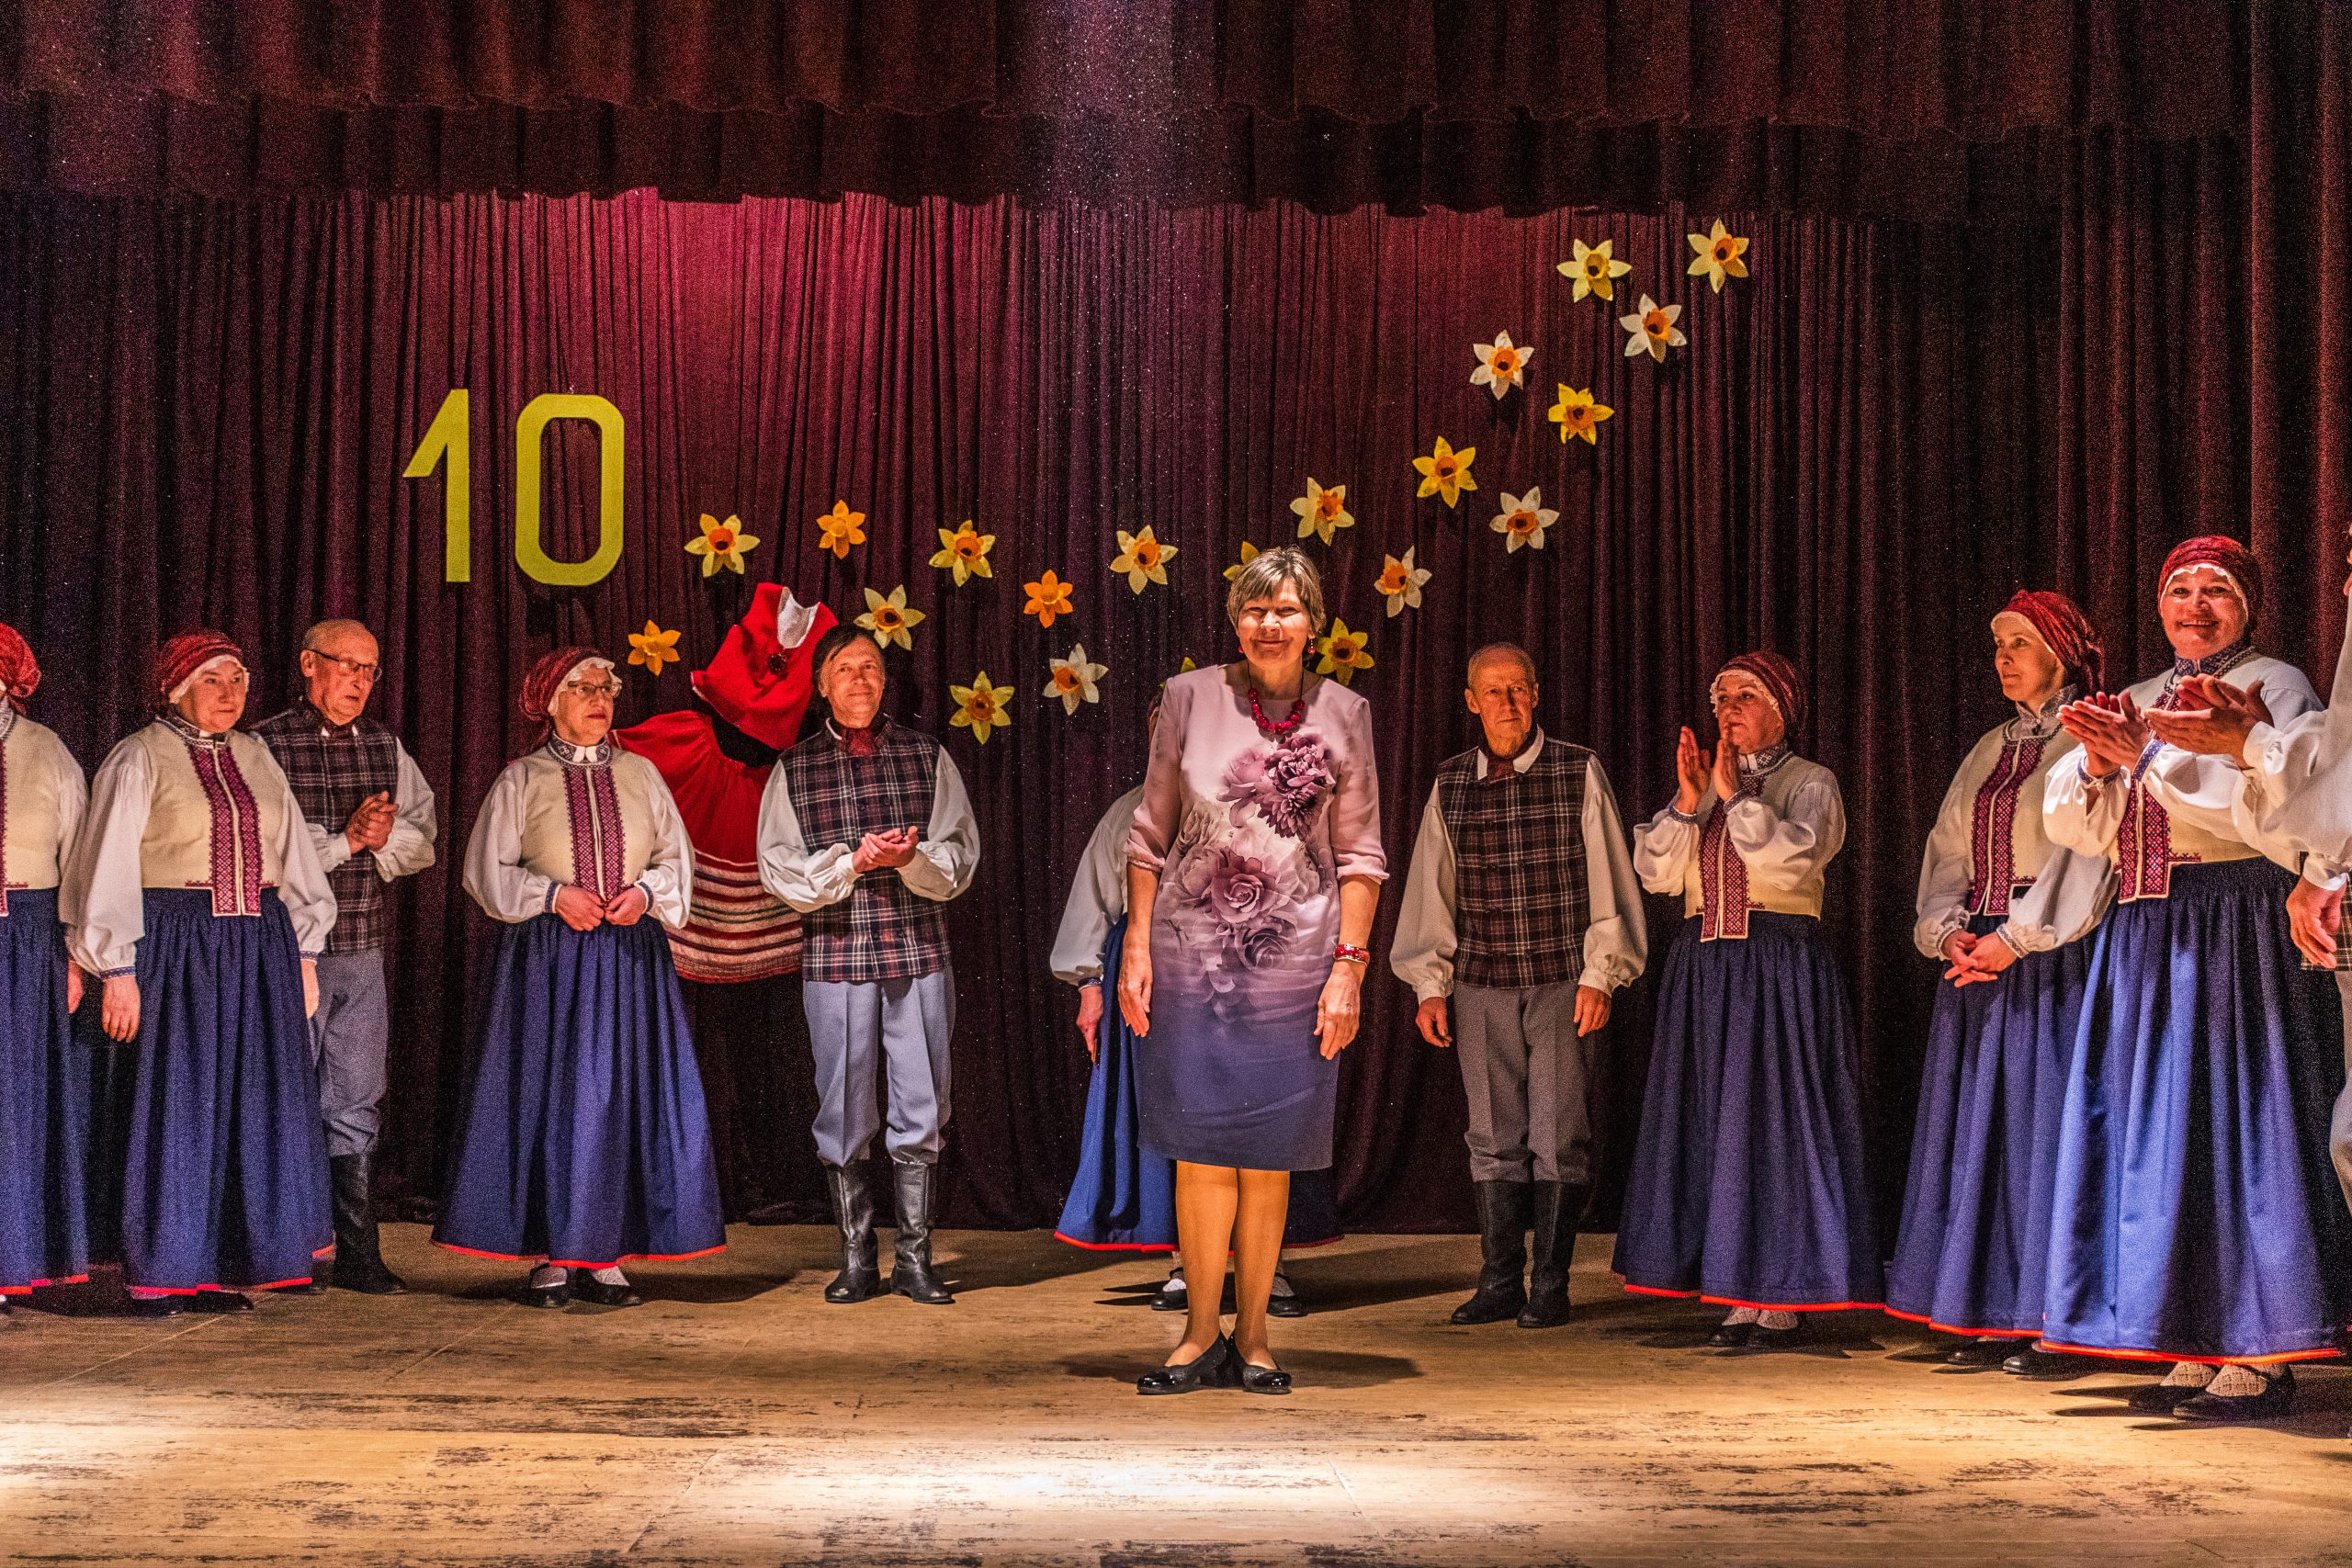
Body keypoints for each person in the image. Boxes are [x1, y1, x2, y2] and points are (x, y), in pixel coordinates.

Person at [2035, 536, 2348, 1416]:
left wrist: (2143, 759)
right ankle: (2189, 1332)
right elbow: (2075, 827)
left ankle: (2261, 1344)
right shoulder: (2136, 697)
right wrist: (2100, 765)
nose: (2196, 606)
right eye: (2181, 589)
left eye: (2217, 591)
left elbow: (2273, 809)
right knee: (2162, 1132)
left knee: (2240, 1121)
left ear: (2247, 606)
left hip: (2231, 920)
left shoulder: (2275, 685)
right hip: (2146, 928)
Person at [1120, 547, 1386, 1394]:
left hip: (1294, 967)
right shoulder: (1188, 697)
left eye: (1287, 608)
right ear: (1236, 621)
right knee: (1200, 1153)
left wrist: (1348, 969)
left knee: (1268, 1155)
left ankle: (1257, 1335)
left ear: (1314, 622)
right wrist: (1134, 947)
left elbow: (1362, 856)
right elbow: (1148, 837)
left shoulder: (1346, 712)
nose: (1271, 623)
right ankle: (1199, 1334)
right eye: (1256, 608)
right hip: (1190, 960)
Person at [435, 648, 721, 1308]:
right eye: (583, 688)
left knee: (621, 1096)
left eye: (606, 689)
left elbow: (676, 857)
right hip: (549, 962)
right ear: (550, 701)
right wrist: (552, 895)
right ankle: (551, 1255)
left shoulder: (640, 773)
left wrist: (645, 894)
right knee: (553, 1098)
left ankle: (606, 1255)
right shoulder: (522, 778)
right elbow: (485, 870)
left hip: (628, 960)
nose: (599, 699)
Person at [62, 630, 335, 1314]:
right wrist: (116, 968)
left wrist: (304, 954)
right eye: (212, 680)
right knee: (178, 1103)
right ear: (177, 688)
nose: (229, 693)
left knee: (244, 1103)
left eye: (238, 679)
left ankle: (216, 1265)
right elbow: (108, 861)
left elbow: (295, 857)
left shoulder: (256, 755)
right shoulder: (139, 756)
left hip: (257, 947)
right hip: (177, 945)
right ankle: (162, 1268)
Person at [1615, 651, 1878, 1348]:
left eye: (1746, 697)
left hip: (1777, 964)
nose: (1729, 709)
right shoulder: (1705, 788)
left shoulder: (1810, 782)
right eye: (1722, 698)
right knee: (1715, 1122)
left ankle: (1782, 1291)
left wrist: (1734, 800)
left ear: (1781, 710)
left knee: (1775, 1122)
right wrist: (1690, 800)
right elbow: (1658, 875)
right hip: (1707, 966)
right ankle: (1734, 1285)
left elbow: (1790, 860)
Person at [1049, 694, 1340, 1314]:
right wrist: (1089, 987)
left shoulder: (1263, 803)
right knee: (1180, 1117)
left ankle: (1268, 1267)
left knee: (1260, 1117)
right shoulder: (1131, 813)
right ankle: (1189, 1263)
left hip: (1254, 977)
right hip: (1159, 985)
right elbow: (1095, 902)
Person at [1390, 642, 1646, 1329]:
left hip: (1561, 980)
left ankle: (1550, 1284)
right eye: (1493, 691)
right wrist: (1429, 984)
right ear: (1471, 702)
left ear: (1535, 694)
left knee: (1558, 1133)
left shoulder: (1576, 769)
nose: (1507, 703)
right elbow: (1432, 890)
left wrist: (1601, 974)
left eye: (1518, 689)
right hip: (1481, 985)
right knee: (1493, 1133)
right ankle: (1500, 1279)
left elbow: (1609, 878)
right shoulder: (1451, 782)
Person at [1886, 592, 2113, 1364]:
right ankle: (1986, 1305)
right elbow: (1949, 847)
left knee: (2044, 1135)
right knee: (1982, 1138)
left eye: (2020, 642)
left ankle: (2054, 1314)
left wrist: (2017, 939)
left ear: (2061, 651)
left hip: (2051, 953)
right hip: (1980, 956)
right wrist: (1948, 929)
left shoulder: (2085, 736)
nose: (2004, 658)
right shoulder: (1990, 747)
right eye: (1999, 645)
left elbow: (2087, 855)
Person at [757, 626, 979, 1306]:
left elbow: (960, 855)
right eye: (845, 668)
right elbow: (780, 870)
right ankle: (857, 1259)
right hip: (837, 955)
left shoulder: (926, 756)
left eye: (871, 668)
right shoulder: (795, 768)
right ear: (822, 685)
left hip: (917, 951)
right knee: (844, 1106)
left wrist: (910, 858)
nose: (860, 679)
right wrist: (852, 862)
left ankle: (914, 1260)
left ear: (885, 681)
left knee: (923, 1102)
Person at [254, 619, 437, 1293]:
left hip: (361, 949)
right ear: (309, 664)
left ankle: (358, 1252)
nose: (359, 680)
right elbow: (266, 845)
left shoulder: (385, 745)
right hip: (287, 952)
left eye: (369, 670)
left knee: (356, 1099)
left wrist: (382, 840)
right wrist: (346, 842)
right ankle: (282, 1248)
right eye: (347, 665)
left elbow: (423, 836)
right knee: (283, 1091)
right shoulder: (265, 743)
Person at [0, 624, 91, 1317]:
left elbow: (79, 862)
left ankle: (11, 1259)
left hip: (26, 940)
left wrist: (73, 956)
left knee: (16, 1104)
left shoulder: (46, 751)